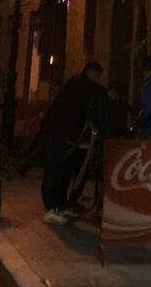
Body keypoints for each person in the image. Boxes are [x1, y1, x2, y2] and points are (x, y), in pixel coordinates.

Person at [39, 61, 108, 225]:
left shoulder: (79, 87)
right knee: (55, 171)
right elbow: (91, 90)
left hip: (65, 135)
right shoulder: (78, 83)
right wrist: (107, 93)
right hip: (56, 134)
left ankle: (62, 205)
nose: (97, 80)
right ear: (90, 72)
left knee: (65, 170)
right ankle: (52, 209)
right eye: (97, 76)